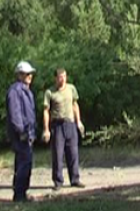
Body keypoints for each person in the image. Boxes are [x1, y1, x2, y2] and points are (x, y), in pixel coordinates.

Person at [43, 68, 86, 190]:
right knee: (57, 154)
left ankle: (75, 179)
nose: (63, 79)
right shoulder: (50, 92)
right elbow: (46, 111)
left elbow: (75, 105)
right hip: (57, 125)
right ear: (55, 78)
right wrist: (46, 129)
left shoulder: (71, 89)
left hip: (70, 124)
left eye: (65, 76)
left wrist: (79, 122)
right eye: (60, 77)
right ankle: (58, 182)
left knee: (73, 152)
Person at [6, 61, 38, 203]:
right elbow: (15, 113)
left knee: (25, 163)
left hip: (28, 132)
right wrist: (21, 131)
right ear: (19, 75)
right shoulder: (15, 91)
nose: (30, 76)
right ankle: (19, 195)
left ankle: (22, 193)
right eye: (26, 74)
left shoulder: (27, 90)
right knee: (24, 164)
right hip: (21, 134)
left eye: (30, 73)